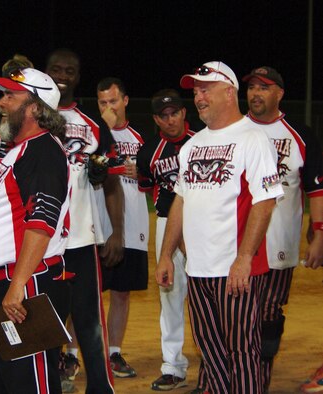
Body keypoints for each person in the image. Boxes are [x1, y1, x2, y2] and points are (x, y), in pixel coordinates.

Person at [156, 61, 284, 394]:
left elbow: (264, 201)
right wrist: (167, 254)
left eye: (205, 89)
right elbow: (180, 201)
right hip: (198, 269)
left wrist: (244, 257)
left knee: (242, 353)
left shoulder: (252, 138)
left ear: (229, 92)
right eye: (196, 91)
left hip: (235, 270)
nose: (198, 97)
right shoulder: (191, 146)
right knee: (211, 354)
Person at [0, 67, 71, 393]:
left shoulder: (43, 149)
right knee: (4, 384)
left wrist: (18, 284)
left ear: (35, 107)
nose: (1, 102)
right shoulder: (19, 151)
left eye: (10, 95)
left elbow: (42, 219)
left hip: (21, 287)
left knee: (28, 385)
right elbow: (6, 200)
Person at [242, 66, 323, 392]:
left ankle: (259, 376)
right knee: (235, 312)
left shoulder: (300, 135)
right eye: (251, 87)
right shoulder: (232, 128)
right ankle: (229, 372)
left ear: (279, 93)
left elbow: (316, 189)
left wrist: (319, 232)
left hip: (280, 242)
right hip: (234, 242)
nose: (255, 93)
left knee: (270, 310)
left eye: (265, 87)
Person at [45, 48, 117, 394]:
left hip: (80, 237)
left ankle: (100, 386)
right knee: (44, 319)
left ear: (77, 76)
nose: (63, 75)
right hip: (39, 238)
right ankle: (45, 384)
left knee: (88, 319)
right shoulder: (32, 115)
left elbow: (107, 169)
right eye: (56, 69)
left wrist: (101, 172)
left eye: (70, 71)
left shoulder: (92, 124)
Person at [136, 89, 195, 391]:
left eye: (175, 113)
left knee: (205, 296)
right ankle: (173, 366)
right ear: (156, 119)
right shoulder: (148, 152)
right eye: (164, 115)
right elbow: (149, 188)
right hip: (164, 225)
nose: (170, 120)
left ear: (184, 113)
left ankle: (214, 363)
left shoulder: (202, 141)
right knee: (170, 296)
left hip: (202, 226)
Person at [96, 77, 150, 379]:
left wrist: (141, 171)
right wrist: (102, 129)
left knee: (121, 292)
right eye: (102, 102)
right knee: (88, 292)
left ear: (125, 101)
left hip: (133, 226)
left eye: (113, 101)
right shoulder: (92, 132)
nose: (108, 107)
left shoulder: (141, 137)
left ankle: (114, 352)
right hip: (97, 226)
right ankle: (74, 355)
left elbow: (156, 176)